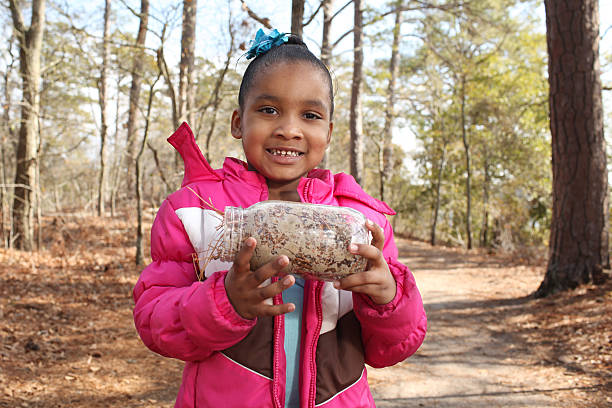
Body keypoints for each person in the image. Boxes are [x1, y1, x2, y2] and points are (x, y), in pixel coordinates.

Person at [133, 28, 427, 408]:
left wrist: (387, 297)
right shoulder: (197, 211)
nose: (289, 129)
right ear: (238, 122)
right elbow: (154, 320)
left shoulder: (361, 218)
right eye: (269, 110)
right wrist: (224, 302)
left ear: (329, 131)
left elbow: (389, 349)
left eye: (310, 115)